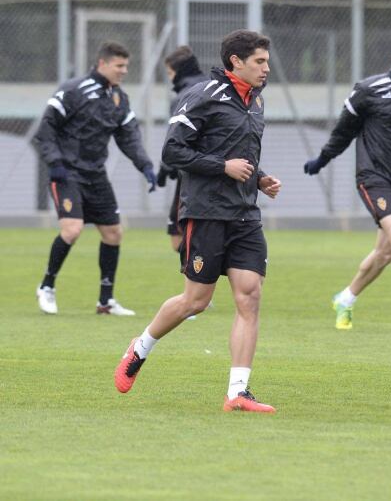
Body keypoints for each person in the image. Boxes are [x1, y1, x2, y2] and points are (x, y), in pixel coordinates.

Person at [114, 30, 282, 414]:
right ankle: (140, 348)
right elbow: (173, 151)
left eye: (267, 62)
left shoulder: (255, 103)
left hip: (244, 215)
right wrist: (223, 168)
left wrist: (260, 179)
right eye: (259, 61)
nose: (266, 68)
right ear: (235, 62)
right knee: (196, 300)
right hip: (205, 212)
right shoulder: (203, 95)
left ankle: (237, 392)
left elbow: (241, 156)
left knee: (249, 295)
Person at [304, 37, 391, 330]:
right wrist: (322, 159)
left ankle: (346, 297)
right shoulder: (368, 90)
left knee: (385, 252)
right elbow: (343, 132)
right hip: (373, 177)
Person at [32, 41, 157, 316]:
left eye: (127, 66)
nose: (124, 71)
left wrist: (146, 166)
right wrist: (55, 163)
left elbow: (129, 137)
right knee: (72, 229)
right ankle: (47, 286)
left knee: (113, 233)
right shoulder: (73, 90)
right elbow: (46, 129)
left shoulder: (119, 99)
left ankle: (106, 301)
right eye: (119, 66)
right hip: (66, 173)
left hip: (95, 175)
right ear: (102, 63)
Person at [157, 45, 209, 251]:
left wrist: (164, 169)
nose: (170, 79)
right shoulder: (212, 86)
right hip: (218, 169)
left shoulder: (182, 97)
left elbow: (176, 139)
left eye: (170, 73)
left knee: (179, 234)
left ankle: (199, 278)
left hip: (191, 172)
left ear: (180, 71)